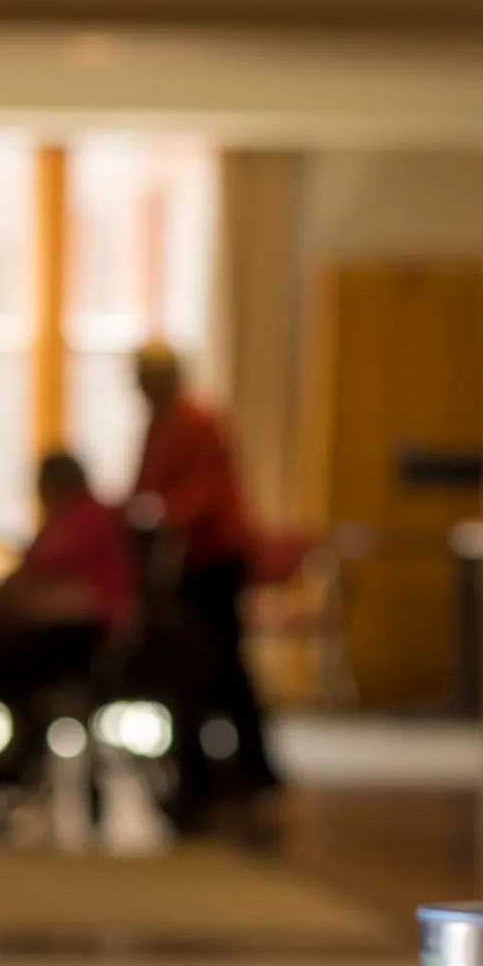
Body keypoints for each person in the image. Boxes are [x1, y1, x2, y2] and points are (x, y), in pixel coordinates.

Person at [127, 342, 278, 822]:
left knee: (224, 668)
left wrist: (158, 515)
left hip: (214, 561)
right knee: (194, 673)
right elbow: (146, 489)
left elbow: (200, 496)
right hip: (189, 564)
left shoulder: (197, 423)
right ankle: (205, 778)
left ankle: (250, 774)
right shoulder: (159, 426)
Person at [0, 452, 135, 784]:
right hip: (46, 639)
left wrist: (27, 604)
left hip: (79, 642)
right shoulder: (64, 523)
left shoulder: (90, 522)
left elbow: (96, 598)